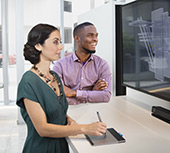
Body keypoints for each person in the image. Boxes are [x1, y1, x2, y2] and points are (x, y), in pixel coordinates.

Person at [16, 23, 107, 153]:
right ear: (38, 46)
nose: (61, 47)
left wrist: (70, 120)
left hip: (61, 146)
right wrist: (84, 128)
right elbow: (43, 129)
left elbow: (58, 110)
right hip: (41, 149)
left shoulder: (55, 77)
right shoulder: (29, 82)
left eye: (60, 42)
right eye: (55, 42)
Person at [53, 22, 112, 105]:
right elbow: (59, 97)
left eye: (96, 35)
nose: (95, 39)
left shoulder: (102, 65)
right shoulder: (60, 65)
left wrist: (74, 93)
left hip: (93, 111)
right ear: (77, 38)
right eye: (90, 35)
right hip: (67, 112)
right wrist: (92, 93)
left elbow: (106, 96)